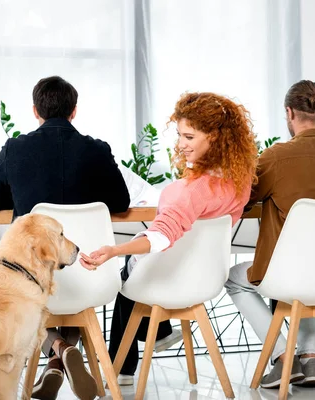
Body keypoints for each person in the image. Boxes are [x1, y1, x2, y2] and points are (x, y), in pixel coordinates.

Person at [79, 92, 259, 385]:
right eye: (179, 136)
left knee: (128, 272)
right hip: (206, 278)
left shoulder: (185, 191)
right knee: (132, 270)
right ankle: (156, 333)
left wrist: (113, 249)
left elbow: (161, 236)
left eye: (188, 137)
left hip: (167, 277)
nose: (180, 144)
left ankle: (123, 364)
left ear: (214, 137)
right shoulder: (239, 182)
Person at [0, 76, 130, 400]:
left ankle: (56, 348)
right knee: (79, 296)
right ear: (74, 111)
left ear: (36, 111)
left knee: (12, 291)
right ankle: (62, 356)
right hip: (91, 271)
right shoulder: (97, 150)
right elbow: (121, 202)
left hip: (33, 279)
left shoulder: (16, 149)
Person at [225, 80, 315, 390]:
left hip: (292, 274)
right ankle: (311, 356)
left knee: (234, 279)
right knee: (311, 267)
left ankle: (280, 357)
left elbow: (246, 199)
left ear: (289, 112)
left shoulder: (277, 156)